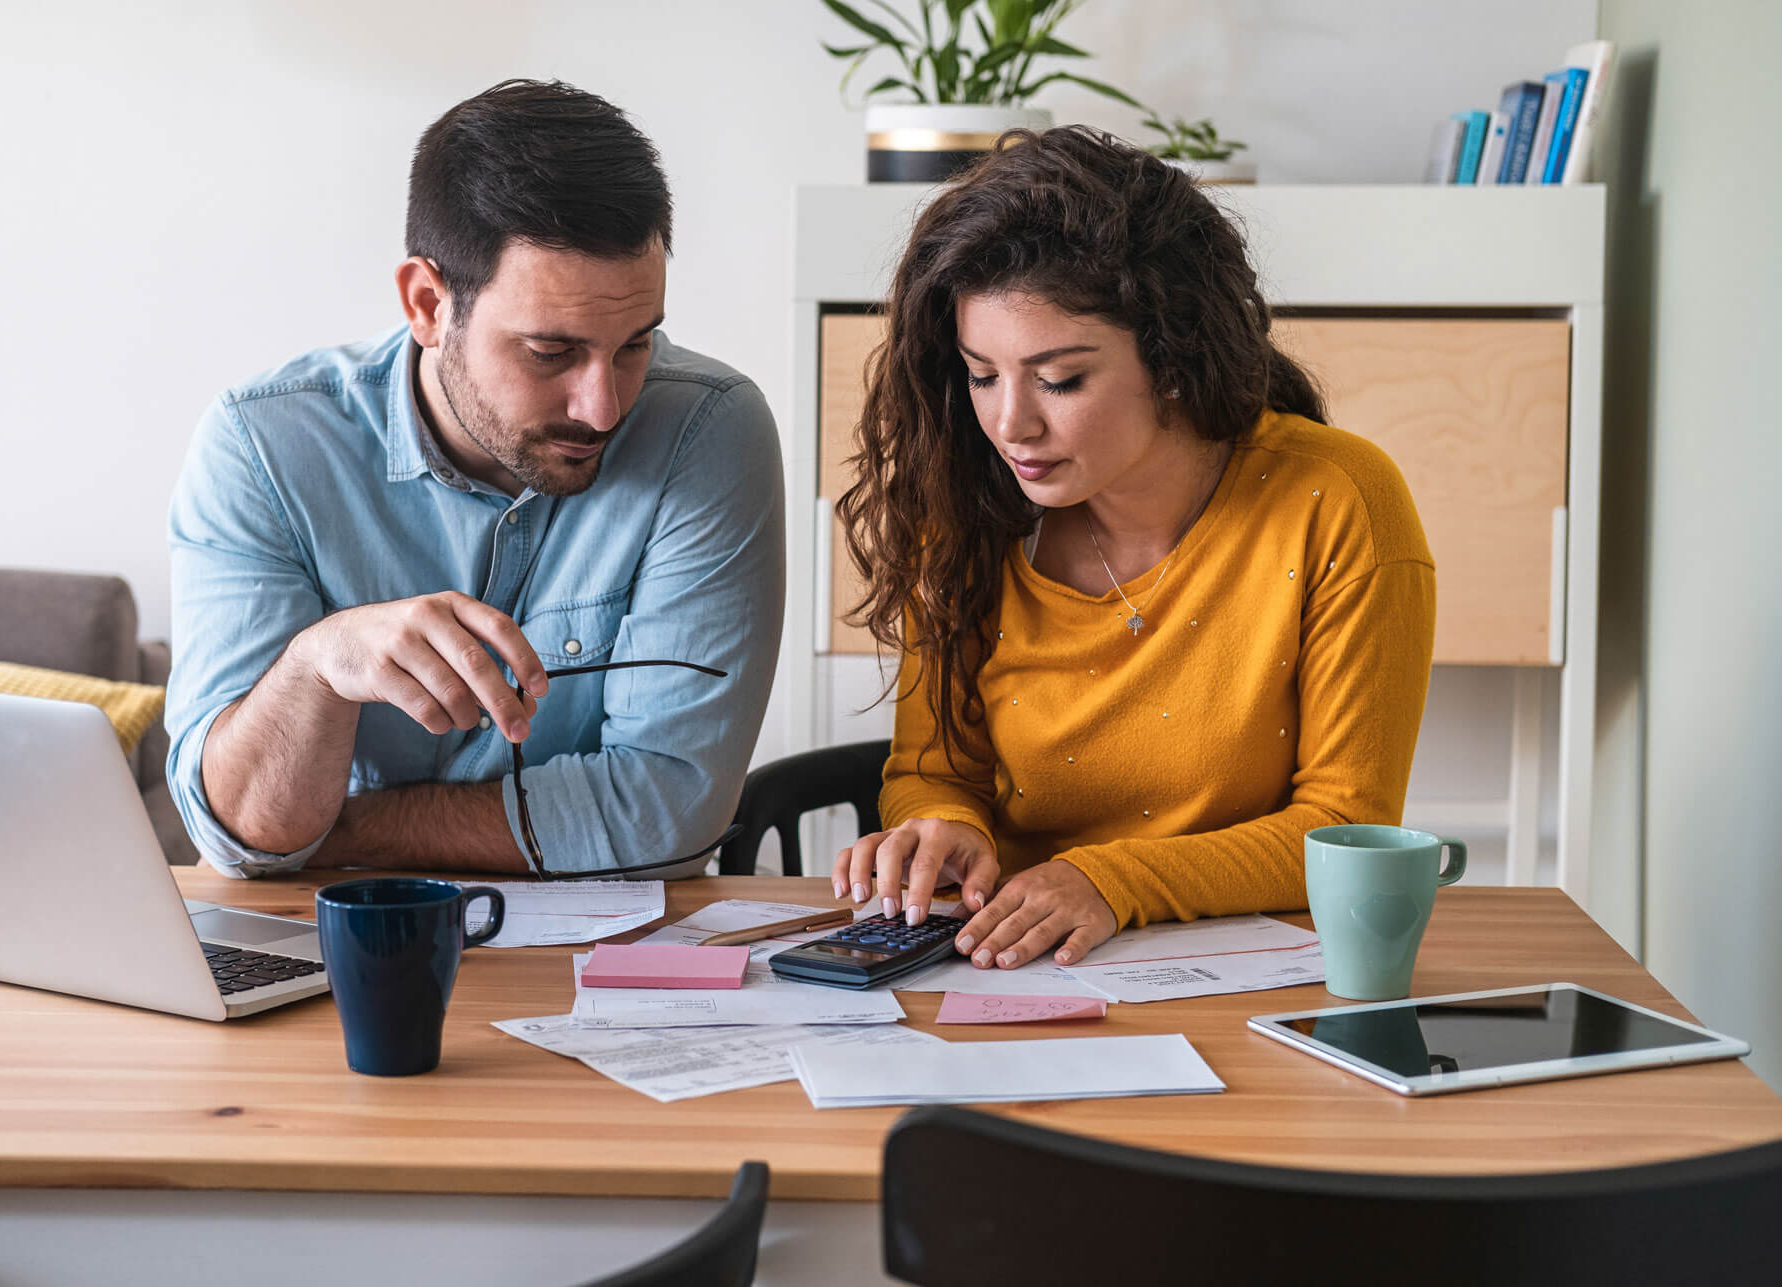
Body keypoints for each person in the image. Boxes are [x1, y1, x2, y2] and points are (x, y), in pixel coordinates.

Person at [831, 126, 1435, 970]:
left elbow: (1341, 825)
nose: (1011, 423)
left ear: (1174, 356)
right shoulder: (964, 505)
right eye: (982, 374)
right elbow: (934, 770)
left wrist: (1111, 881)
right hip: (1006, 967)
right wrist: (946, 829)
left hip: (1242, 981)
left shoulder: (1338, 502)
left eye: (1060, 379)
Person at [165, 80, 783, 879]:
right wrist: (318, 665)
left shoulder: (708, 431)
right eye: (551, 352)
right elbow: (240, 829)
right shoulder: (261, 449)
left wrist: (336, 833)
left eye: (635, 344)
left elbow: (668, 813)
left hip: (601, 973)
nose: (602, 408)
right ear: (427, 303)